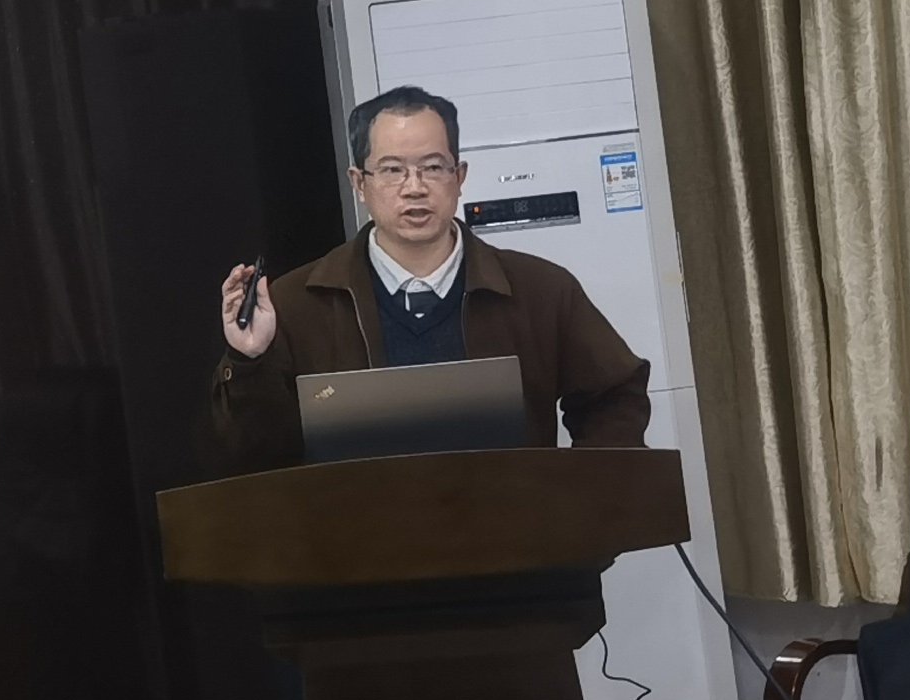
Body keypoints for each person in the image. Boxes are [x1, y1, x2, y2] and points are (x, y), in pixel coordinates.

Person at [206, 83, 651, 473]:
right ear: (359, 183)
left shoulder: (542, 290)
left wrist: (578, 502)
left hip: (512, 533)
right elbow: (254, 457)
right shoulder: (294, 304)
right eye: (392, 169)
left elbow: (615, 395)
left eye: (433, 167)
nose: (414, 187)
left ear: (459, 177)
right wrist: (249, 361)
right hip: (358, 540)